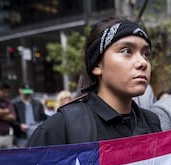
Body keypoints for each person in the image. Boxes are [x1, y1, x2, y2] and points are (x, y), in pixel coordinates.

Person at [27, 16, 161, 146]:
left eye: (146, 54)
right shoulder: (61, 127)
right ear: (97, 65)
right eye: (126, 51)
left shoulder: (152, 122)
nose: (142, 62)